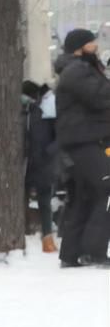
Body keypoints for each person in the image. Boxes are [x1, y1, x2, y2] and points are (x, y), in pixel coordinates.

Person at [53, 28, 110, 267]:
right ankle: (94, 251)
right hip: (84, 141)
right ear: (79, 48)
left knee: (84, 196)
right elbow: (99, 97)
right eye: (91, 43)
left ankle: (71, 253)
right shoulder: (77, 71)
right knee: (106, 189)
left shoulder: (80, 69)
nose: (95, 47)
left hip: (83, 141)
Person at [23, 80, 59, 253]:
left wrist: (49, 152)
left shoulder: (44, 111)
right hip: (25, 164)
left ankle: (47, 237)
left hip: (43, 163)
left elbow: (58, 136)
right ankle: (23, 235)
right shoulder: (24, 112)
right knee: (20, 200)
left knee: (44, 202)